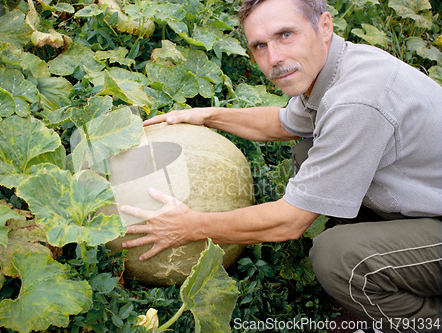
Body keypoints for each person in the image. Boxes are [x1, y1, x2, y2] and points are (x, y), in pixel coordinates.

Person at [119, 0, 442, 331]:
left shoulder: (356, 102)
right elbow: (281, 124)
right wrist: (207, 115)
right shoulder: (335, 68)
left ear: (325, 26)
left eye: (285, 34)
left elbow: (288, 224)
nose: (273, 58)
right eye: (260, 45)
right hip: (429, 199)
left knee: (337, 258)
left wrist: (190, 226)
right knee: (308, 151)